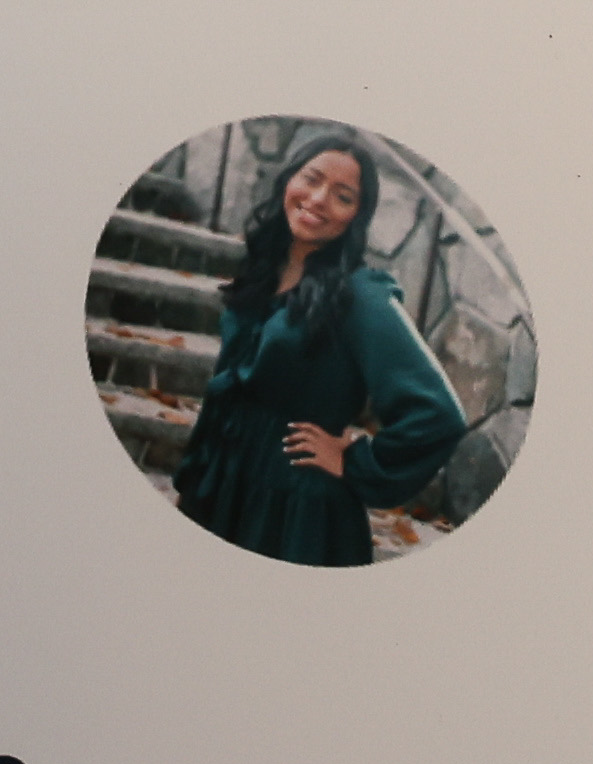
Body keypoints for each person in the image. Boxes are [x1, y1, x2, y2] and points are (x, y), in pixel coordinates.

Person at [169, 131, 462, 557]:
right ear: (288, 180)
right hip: (224, 479)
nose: (319, 198)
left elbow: (438, 414)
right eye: (312, 178)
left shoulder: (360, 295)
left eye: (343, 196)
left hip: (291, 504)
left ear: (355, 217)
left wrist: (357, 461)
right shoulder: (264, 272)